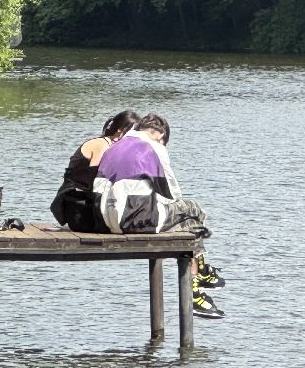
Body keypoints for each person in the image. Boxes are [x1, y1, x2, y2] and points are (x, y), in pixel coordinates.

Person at [92, 112, 226, 319]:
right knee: (193, 212)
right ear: (160, 136)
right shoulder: (153, 147)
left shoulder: (114, 147)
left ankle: (200, 276)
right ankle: (197, 284)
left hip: (104, 219)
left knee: (185, 223)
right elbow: (172, 194)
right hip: (134, 219)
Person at [50, 110, 138, 233]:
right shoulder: (102, 144)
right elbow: (95, 177)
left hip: (86, 198)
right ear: (120, 130)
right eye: (132, 132)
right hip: (77, 202)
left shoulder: (113, 146)